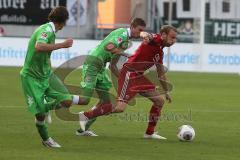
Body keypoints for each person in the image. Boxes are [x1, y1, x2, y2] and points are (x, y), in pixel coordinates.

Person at [78, 25, 178, 139]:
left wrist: (166, 91)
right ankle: (86, 115)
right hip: (129, 73)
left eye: (175, 38)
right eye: (172, 37)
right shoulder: (155, 39)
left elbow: (160, 73)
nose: (173, 41)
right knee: (120, 108)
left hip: (138, 76)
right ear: (164, 35)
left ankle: (149, 133)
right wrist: (145, 35)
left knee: (159, 101)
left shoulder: (160, 52)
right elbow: (145, 34)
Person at [20, 6, 82, 148]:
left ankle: (46, 106)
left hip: (46, 76)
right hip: (31, 78)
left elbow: (44, 54)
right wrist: (63, 45)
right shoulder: (46, 30)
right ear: (63, 22)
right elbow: (39, 46)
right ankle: (46, 139)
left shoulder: (51, 31)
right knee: (40, 114)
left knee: (66, 101)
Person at [75, 18, 148, 136]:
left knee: (106, 102)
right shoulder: (122, 34)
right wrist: (125, 54)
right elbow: (108, 47)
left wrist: (125, 80)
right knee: (84, 99)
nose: (140, 33)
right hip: (93, 63)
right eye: (139, 30)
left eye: (143, 31)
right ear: (133, 27)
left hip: (101, 67)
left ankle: (83, 129)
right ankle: (51, 102)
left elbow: (113, 66)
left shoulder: (126, 42)